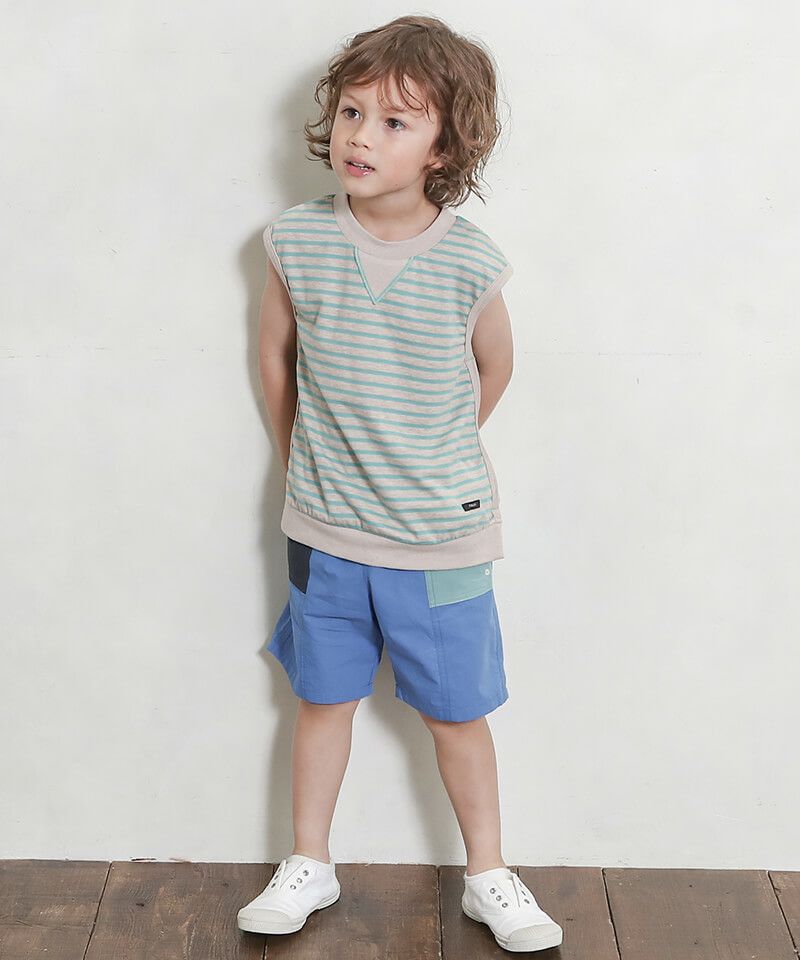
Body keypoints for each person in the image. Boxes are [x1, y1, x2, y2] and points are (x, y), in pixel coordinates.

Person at [238, 15, 563, 954]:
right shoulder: (296, 241)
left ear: (443, 148)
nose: (360, 137)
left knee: (458, 713)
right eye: (351, 112)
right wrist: (305, 458)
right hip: (325, 531)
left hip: (441, 537)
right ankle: (309, 860)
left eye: (393, 122)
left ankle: (488, 873)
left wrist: (430, 453)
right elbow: (275, 360)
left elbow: (494, 369)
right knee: (322, 700)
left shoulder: (469, 260)